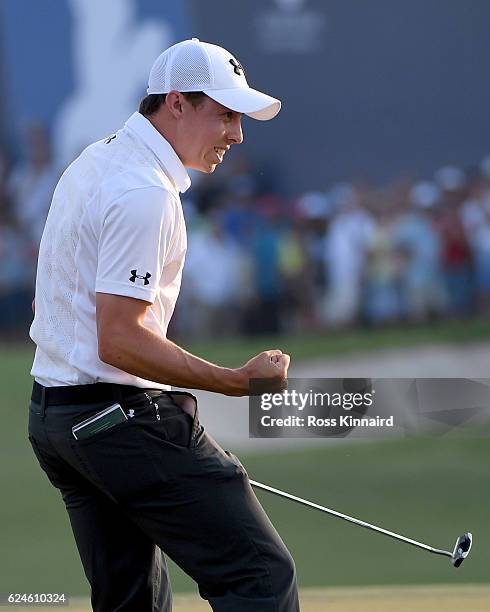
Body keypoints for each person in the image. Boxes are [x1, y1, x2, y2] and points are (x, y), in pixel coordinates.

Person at [28, 38, 299, 612]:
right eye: (225, 114)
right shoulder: (144, 192)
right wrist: (233, 381)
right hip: (116, 421)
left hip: (60, 419)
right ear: (176, 103)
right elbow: (119, 337)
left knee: (132, 602)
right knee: (258, 575)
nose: (237, 134)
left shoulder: (99, 158)